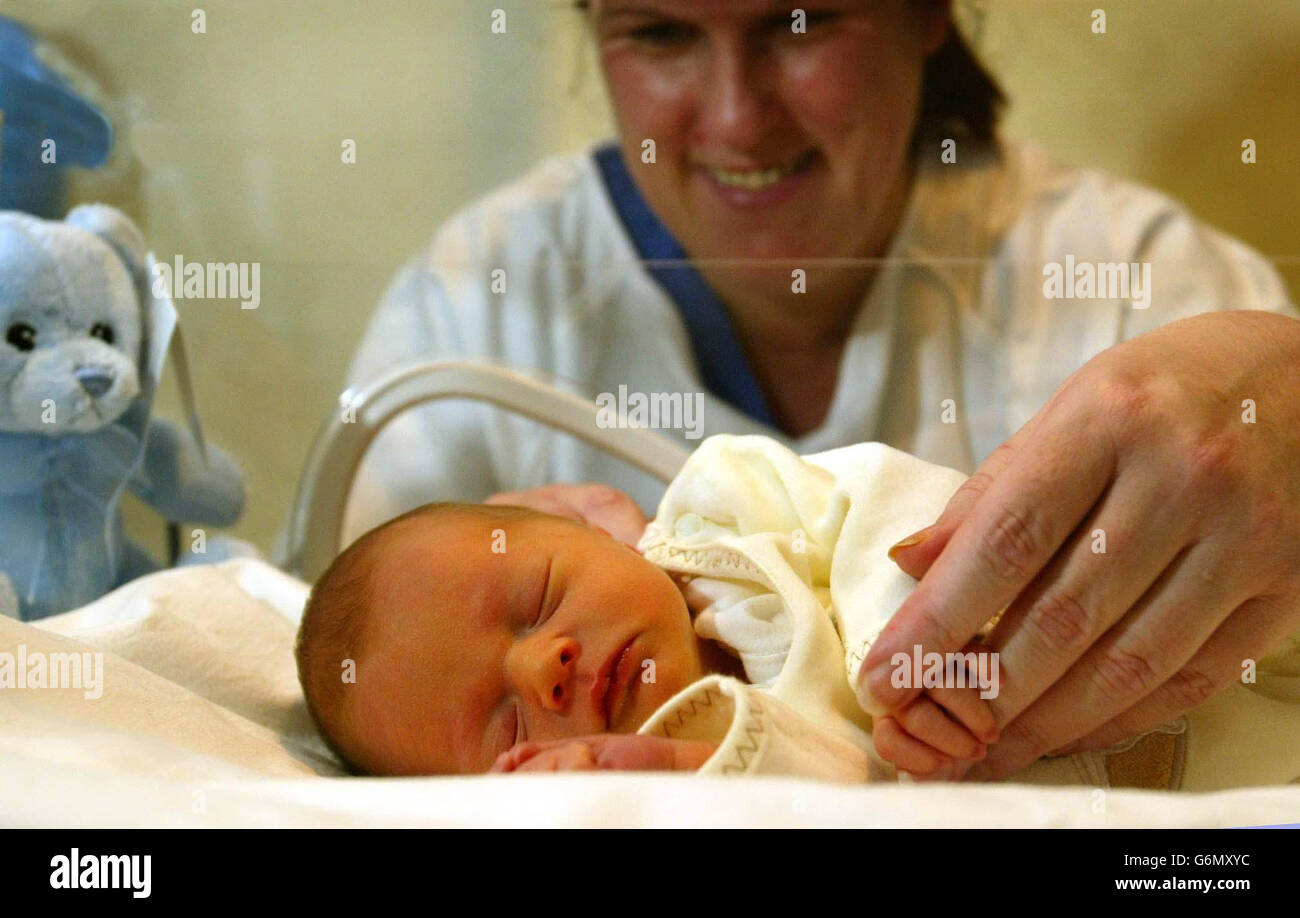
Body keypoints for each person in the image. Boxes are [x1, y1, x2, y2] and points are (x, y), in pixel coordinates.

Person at [343, 0, 1300, 780]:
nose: (736, 117)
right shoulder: (478, 308)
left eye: (800, 23)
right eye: (661, 33)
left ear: (926, 16)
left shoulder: (1134, 281)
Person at [297, 435, 1300, 789]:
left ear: (602, 531)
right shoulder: (664, 786)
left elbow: (884, 504)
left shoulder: (728, 510)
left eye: (534, 602)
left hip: (1162, 635)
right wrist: (665, 777)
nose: (542, 668)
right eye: (507, 727)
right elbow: (837, 799)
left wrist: (917, 648)